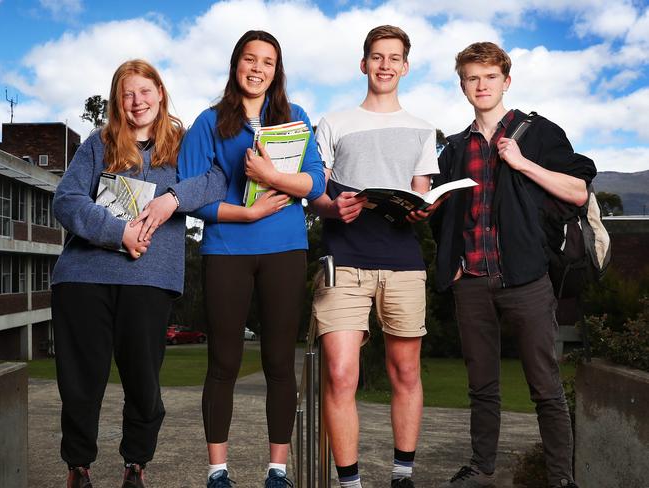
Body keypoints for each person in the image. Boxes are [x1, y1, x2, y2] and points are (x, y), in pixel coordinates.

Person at [52, 59, 226, 488]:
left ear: (161, 93)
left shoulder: (184, 146)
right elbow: (66, 200)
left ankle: (135, 464)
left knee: (144, 385)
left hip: (149, 279)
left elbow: (217, 179)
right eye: (127, 94)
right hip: (84, 277)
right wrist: (118, 233)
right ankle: (78, 467)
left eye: (145, 91)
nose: (137, 101)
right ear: (117, 100)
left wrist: (171, 198)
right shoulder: (99, 144)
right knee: (81, 384)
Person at [430, 42, 596, 488]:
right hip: (473, 281)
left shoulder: (537, 133)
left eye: (489, 76)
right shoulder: (454, 149)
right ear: (462, 84)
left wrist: (522, 163)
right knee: (482, 388)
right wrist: (454, 264)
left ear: (506, 81)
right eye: (471, 77)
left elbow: (578, 191)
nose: (481, 85)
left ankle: (561, 479)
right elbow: (444, 216)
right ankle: (483, 469)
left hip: (526, 279)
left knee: (546, 388)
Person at [176, 30, 325, 488]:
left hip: (284, 249)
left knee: (281, 361)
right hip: (226, 249)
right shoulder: (208, 123)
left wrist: (271, 175)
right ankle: (217, 471)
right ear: (236, 64)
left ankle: (277, 471)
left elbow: (315, 184)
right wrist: (249, 210)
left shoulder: (295, 118)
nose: (257, 68)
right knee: (223, 361)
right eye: (249, 59)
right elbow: (190, 194)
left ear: (276, 71)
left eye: (268, 62)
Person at [309, 25, 439, 488]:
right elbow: (314, 193)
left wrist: (420, 209)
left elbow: (421, 194)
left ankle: (402, 475)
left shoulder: (424, 129)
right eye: (377, 56)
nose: (385, 65)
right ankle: (350, 483)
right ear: (363, 64)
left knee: (405, 370)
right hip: (343, 259)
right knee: (341, 373)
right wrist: (330, 206)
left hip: (403, 263)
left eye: (394, 58)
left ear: (405, 67)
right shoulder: (333, 122)